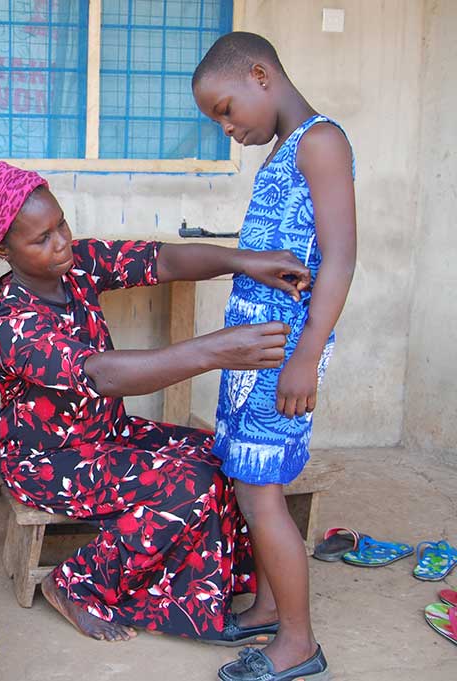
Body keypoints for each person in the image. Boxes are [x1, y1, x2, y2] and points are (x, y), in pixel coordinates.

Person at [0, 160, 311, 646]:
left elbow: (162, 261)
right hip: (47, 462)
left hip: (108, 436)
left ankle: (213, 586)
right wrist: (214, 350)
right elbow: (102, 375)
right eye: (40, 239)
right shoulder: (12, 321)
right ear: (2, 249)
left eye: (60, 223)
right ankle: (75, 584)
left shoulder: (77, 266)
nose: (60, 241)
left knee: (222, 454)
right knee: (189, 482)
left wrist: (246, 260)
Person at [193, 32, 355, 681]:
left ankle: (297, 642)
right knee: (249, 478)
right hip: (251, 354)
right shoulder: (286, 150)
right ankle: (267, 605)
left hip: (282, 353)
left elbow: (340, 257)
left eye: (228, 110)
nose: (228, 128)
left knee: (262, 493)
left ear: (261, 75)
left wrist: (305, 356)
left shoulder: (321, 141)